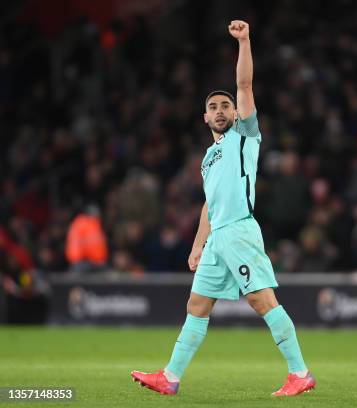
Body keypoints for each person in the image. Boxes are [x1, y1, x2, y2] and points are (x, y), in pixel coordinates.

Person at [131, 20, 315, 397]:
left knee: (262, 300)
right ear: (204, 118)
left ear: (235, 112)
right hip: (218, 236)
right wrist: (199, 244)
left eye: (225, 105)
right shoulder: (208, 157)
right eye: (212, 107)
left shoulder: (244, 136)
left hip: (240, 230)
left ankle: (300, 373)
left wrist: (245, 41)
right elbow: (209, 205)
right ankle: (171, 376)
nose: (219, 110)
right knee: (196, 304)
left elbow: (245, 84)